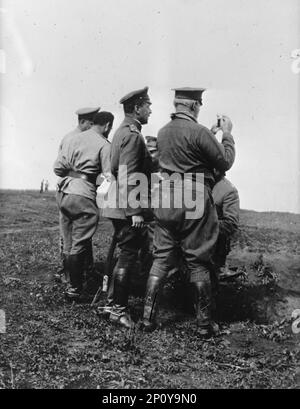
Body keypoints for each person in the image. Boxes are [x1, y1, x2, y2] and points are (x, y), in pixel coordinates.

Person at [141, 87, 236, 337]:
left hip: (165, 194)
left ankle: (147, 318)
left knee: (161, 258)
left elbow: (185, 147)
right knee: (198, 259)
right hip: (193, 193)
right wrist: (226, 134)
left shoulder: (163, 132)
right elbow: (224, 161)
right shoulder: (200, 132)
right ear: (194, 106)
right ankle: (204, 324)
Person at [102, 87, 153, 329]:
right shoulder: (133, 135)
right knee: (129, 255)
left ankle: (112, 304)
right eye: (148, 105)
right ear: (136, 108)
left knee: (124, 253)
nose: (150, 110)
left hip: (117, 202)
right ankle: (119, 311)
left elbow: (114, 168)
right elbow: (128, 173)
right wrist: (134, 211)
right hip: (127, 207)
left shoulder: (121, 132)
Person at [53, 111, 113, 301]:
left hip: (64, 192)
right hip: (83, 194)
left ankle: (69, 278)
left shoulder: (73, 138)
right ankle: (74, 289)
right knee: (79, 244)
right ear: (108, 126)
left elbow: (57, 168)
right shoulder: (104, 144)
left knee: (68, 240)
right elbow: (108, 175)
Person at [54, 107, 100, 283]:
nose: (93, 126)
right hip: (72, 189)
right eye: (91, 123)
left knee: (80, 232)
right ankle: (68, 273)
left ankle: (84, 269)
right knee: (68, 234)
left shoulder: (82, 138)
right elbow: (60, 167)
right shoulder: (72, 138)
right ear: (82, 122)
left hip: (75, 190)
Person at [212, 170, 240, 279]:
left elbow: (230, 224)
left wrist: (204, 225)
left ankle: (219, 268)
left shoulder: (228, 190)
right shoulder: (194, 183)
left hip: (212, 245)